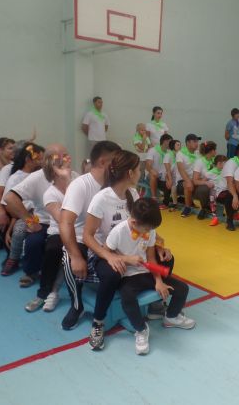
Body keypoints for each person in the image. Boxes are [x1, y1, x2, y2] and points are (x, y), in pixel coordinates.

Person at [82, 150, 174, 350]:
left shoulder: (133, 194)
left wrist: (157, 245)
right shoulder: (101, 199)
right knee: (113, 273)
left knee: (167, 259)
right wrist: (109, 256)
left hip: (133, 250)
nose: (141, 173)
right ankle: (98, 322)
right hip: (105, 251)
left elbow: (143, 225)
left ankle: (155, 304)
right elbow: (87, 236)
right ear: (130, 173)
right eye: (139, 169)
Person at [107, 198, 194, 355]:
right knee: (127, 297)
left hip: (147, 272)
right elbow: (106, 254)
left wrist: (158, 281)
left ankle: (171, 317)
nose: (149, 232)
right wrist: (126, 259)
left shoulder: (149, 230)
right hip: (128, 276)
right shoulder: (118, 232)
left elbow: (151, 257)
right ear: (134, 222)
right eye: (147, 229)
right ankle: (141, 329)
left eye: (151, 229)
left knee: (182, 288)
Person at [59, 141, 121, 331]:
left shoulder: (116, 184)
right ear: (103, 162)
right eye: (116, 161)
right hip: (83, 238)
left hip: (110, 237)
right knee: (68, 258)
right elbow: (66, 223)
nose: (119, 165)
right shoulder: (80, 185)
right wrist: (76, 257)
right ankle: (77, 305)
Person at [24, 146, 76, 312]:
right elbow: (64, 221)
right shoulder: (50, 193)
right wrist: (67, 181)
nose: (67, 161)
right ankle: (44, 293)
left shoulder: (76, 180)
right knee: (53, 249)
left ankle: (54, 291)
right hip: (60, 230)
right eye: (62, 164)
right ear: (54, 171)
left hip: (80, 229)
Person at [0, 143, 46, 279]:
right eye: (40, 158)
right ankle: (13, 259)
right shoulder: (16, 177)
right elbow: (8, 203)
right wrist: (24, 214)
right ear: (28, 159)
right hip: (25, 215)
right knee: (20, 230)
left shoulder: (42, 174)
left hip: (41, 213)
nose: (42, 161)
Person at [220, 142, 239, 231]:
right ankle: (230, 220)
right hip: (224, 190)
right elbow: (230, 183)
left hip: (238, 188)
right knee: (230, 195)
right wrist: (235, 196)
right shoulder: (231, 163)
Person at [145, 133, 173, 209]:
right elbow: (148, 166)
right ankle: (154, 198)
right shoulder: (153, 150)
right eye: (170, 142)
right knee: (153, 175)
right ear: (165, 141)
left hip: (164, 176)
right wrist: (152, 171)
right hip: (152, 176)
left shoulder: (170, 152)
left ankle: (168, 201)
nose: (172, 144)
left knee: (171, 178)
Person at [176, 134, 201, 218]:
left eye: (197, 141)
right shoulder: (180, 153)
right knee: (188, 185)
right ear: (188, 143)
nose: (197, 143)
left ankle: (207, 207)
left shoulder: (198, 153)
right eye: (194, 141)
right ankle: (187, 207)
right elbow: (180, 169)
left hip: (195, 178)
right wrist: (188, 181)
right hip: (182, 180)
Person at [192, 141, 217, 220]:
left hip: (217, 182)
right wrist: (206, 182)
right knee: (203, 190)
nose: (216, 151)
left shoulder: (216, 160)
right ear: (212, 151)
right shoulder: (199, 162)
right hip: (206, 184)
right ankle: (205, 208)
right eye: (215, 150)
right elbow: (195, 181)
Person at [205, 155, 228, 226]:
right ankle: (215, 217)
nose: (225, 165)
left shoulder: (226, 172)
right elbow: (204, 180)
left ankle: (233, 214)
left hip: (223, 189)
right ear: (218, 163)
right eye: (224, 163)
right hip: (214, 190)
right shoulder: (210, 173)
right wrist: (207, 183)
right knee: (213, 197)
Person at [163, 139, 181, 211]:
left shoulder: (180, 155)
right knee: (172, 185)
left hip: (176, 176)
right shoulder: (168, 155)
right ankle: (172, 203)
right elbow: (167, 170)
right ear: (173, 146)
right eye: (178, 145)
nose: (180, 146)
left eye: (180, 145)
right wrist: (169, 180)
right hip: (168, 176)